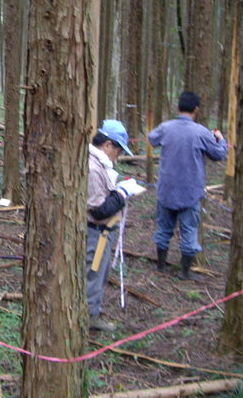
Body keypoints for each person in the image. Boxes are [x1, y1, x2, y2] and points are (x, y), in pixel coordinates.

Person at [148, 91, 227, 281]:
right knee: (189, 231)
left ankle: (161, 266)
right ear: (196, 110)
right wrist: (220, 139)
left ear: (178, 107)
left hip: (166, 190)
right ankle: (185, 271)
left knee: (163, 229)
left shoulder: (166, 127)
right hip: (190, 192)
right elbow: (219, 154)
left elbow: (152, 138)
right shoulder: (201, 132)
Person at [87, 119, 139, 332]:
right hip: (95, 232)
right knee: (93, 273)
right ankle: (89, 317)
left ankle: (92, 312)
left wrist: (118, 190)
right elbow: (98, 209)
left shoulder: (99, 164)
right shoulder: (93, 168)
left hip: (102, 232)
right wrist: (122, 193)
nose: (118, 156)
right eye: (118, 150)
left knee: (100, 272)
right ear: (108, 144)